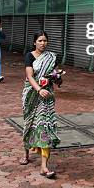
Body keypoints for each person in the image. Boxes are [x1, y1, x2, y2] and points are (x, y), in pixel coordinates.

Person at [21, 31, 61, 178]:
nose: (43, 43)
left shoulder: (52, 57)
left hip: (47, 97)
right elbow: (30, 76)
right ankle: (26, 153)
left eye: (45, 40)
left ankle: (44, 166)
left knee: (45, 126)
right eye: (40, 40)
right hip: (32, 95)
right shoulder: (29, 56)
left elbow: (55, 75)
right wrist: (38, 89)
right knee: (29, 124)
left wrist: (57, 78)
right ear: (34, 42)